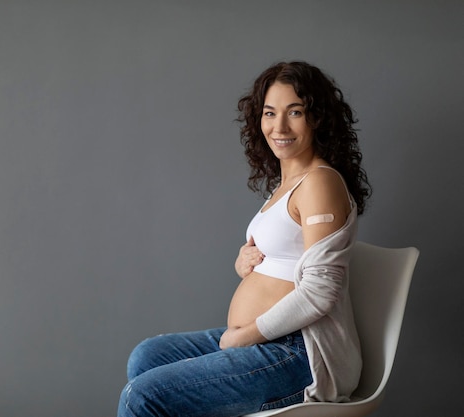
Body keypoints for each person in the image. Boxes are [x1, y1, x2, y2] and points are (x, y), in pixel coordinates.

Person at [117, 61, 372, 417]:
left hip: (300, 354)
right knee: (147, 356)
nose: (279, 126)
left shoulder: (319, 182)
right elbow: (289, 259)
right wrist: (247, 264)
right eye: (270, 113)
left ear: (317, 118)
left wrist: (243, 336)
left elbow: (321, 290)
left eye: (294, 112)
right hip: (267, 340)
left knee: (141, 398)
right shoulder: (284, 185)